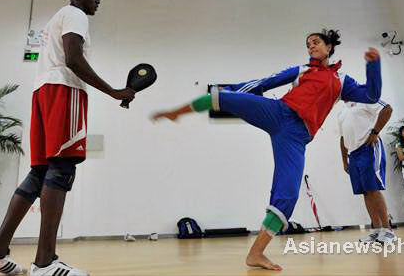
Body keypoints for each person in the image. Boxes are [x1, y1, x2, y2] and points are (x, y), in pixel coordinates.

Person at [152, 29, 382, 270]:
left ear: (329, 47)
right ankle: (177, 113)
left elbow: (371, 95)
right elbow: (265, 83)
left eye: (315, 43)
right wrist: (235, 91)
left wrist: (373, 67)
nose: (311, 47)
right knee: (220, 96)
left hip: (296, 136)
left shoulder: (342, 80)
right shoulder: (302, 70)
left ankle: (256, 253)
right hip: (278, 112)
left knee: (288, 196)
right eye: (308, 44)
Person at [0, 0, 135, 276]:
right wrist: (114, 91)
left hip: (42, 92)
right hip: (64, 91)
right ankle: (45, 263)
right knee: (62, 168)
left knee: (40, 172)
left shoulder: (54, 20)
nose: (98, 0)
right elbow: (74, 59)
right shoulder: (75, 14)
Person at [338, 100, 396, 243]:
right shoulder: (341, 112)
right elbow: (342, 138)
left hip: (369, 148)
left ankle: (388, 230)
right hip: (353, 154)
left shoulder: (364, 99)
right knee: (365, 191)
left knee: (373, 189)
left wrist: (375, 132)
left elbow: (387, 109)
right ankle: (376, 230)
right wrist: (345, 160)